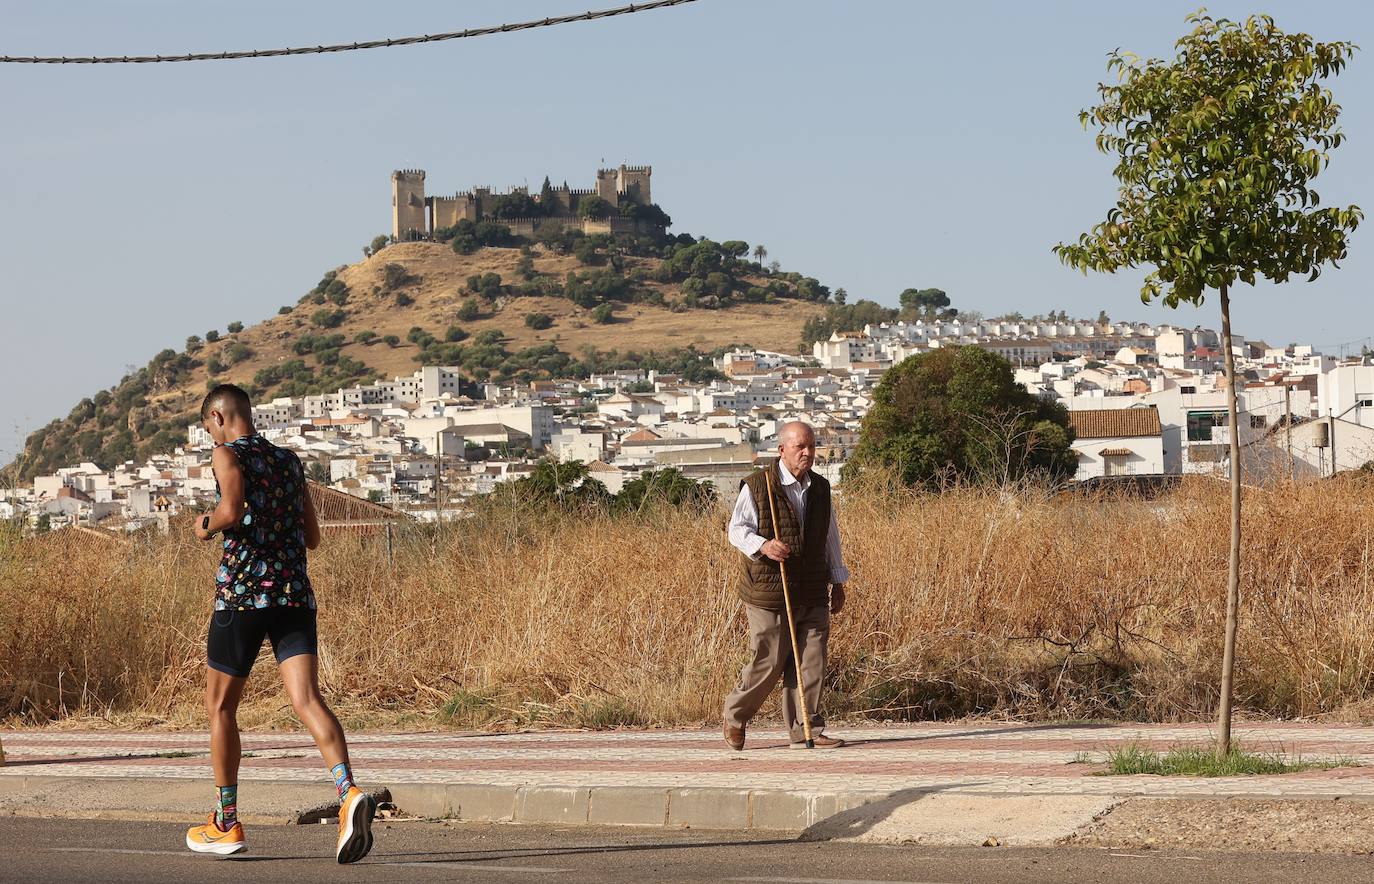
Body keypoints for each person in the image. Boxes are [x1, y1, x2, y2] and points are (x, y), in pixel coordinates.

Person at [184, 384, 374, 863]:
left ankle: (226, 823)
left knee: (221, 708)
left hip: (243, 597)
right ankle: (348, 792)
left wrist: (204, 525)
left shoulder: (226, 455)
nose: (210, 434)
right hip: (293, 594)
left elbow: (231, 510)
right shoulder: (290, 461)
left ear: (219, 416)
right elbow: (312, 537)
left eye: (208, 426)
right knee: (308, 699)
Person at [723, 421, 849, 750]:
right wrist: (763, 545)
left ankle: (806, 727)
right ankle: (735, 716)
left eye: (811, 446)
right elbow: (737, 530)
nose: (807, 453)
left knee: (812, 661)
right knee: (768, 661)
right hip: (769, 590)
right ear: (782, 450)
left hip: (811, 587)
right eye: (800, 447)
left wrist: (838, 580)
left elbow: (830, 536)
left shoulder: (820, 488)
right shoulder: (758, 485)